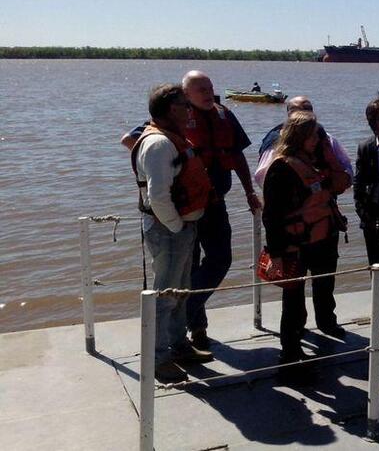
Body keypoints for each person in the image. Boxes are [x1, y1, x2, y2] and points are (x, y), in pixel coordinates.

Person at [122, 71, 260, 350]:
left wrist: (249, 192)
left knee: (220, 260)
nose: (208, 93)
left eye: (210, 87)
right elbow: (131, 140)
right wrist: (167, 166)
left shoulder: (224, 115)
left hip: (215, 202)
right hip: (184, 209)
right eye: (200, 89)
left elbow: (237, 155)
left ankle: (187, 310)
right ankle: (193, 331)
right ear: (186, 96)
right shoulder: (168, 125)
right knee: (187, 268)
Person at [130, 84, 214, 383]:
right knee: (165, 296)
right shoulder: (158, 145)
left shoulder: (171, 140)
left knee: (180, 293)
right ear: (168, 109)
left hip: (180, 229)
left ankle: (179, 346)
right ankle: (159, 359)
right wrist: (178, 228)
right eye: (183, 104)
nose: (189, 109)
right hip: (168, 230)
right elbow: (157, 196)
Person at [262, 111, 348, 380]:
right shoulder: (282, 168)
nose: (317, 140)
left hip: (319, 241)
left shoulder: (311, 161)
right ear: (300, 137)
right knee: (294, 304)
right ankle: (289, 358)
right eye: (313, 136)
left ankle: (297, 353)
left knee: (312, 294)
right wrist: (276, 253)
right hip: (294, 246)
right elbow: (272, 216)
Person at [354, 93, 379, 323]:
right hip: (374, 213)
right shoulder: (366, 148)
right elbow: (358, 184)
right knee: (377, 266)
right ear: (372, 123)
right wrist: (363, 213)